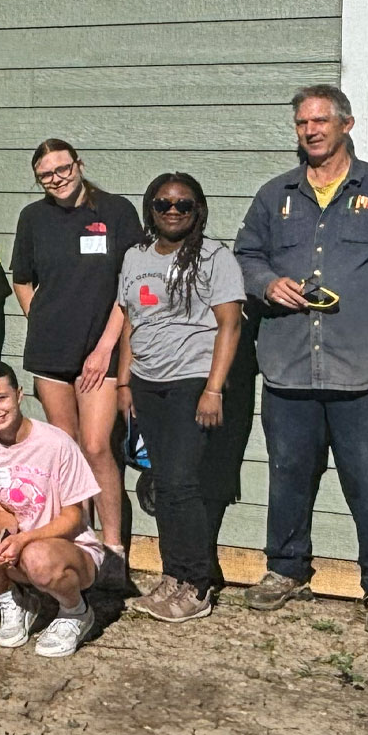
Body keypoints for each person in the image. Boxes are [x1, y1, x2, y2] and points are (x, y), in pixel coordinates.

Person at [233, 84, 368, 635]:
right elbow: (247, 253)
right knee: (288, 476)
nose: (310, 131)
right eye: (302, 123)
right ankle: (286, 569)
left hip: (365, 371)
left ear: (346, 125)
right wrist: (265, 282)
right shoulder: (274, 195)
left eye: (320, 122)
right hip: (288, 367)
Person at [116, 173, 245, 622]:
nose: (172, 211)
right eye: (163, 203)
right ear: (149, 207)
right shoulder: (135, 257)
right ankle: (173, 576)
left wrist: (213, 389)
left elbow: (230, 324)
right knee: (162, 483)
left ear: (198, 210)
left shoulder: (214, 257)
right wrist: (123, 383)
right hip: (147, 383)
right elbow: (130, 324)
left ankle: (197, 584)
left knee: (183, 483)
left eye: (183, 205)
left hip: (193, 382)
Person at [8, 139, 141, 569]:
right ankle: (78, 541)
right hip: (50, 353)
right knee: (64, 449)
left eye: (63, 169)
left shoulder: (116, 211)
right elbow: (22, 279)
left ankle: (114, 548)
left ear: (79, 165)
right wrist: (40, 319)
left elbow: (130, 289)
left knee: (98, 445)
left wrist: (106, 349)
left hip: (99, 352)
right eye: (46, 175)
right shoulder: (33, 218)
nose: (57, 179)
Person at [0, 362, 107, 658]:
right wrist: (6, 536)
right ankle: (13, 599)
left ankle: (76, 611)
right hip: (22, 550)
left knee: (37, 555)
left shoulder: (56, 442)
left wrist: (24, 540)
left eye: (1, 398)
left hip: (69, 552)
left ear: (19, 395)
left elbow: (74, 518)